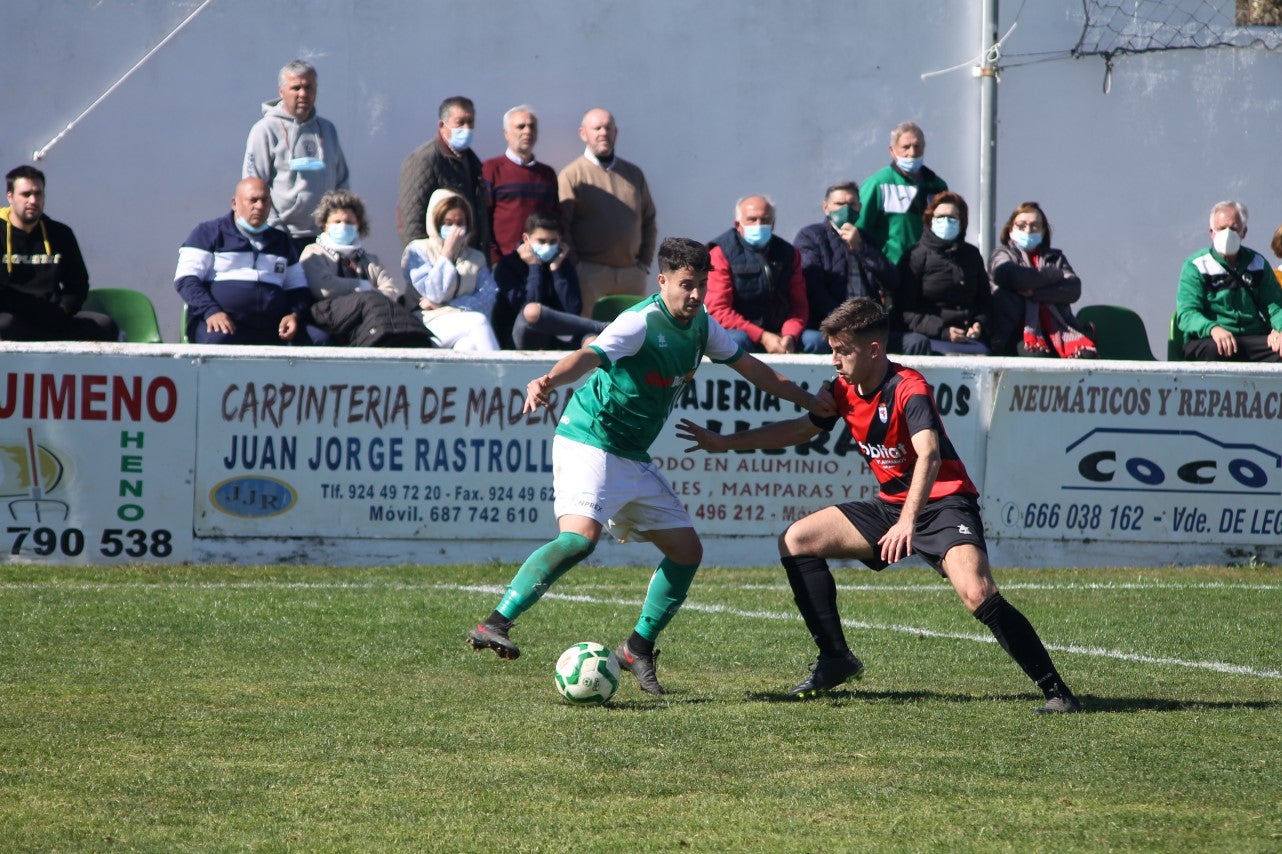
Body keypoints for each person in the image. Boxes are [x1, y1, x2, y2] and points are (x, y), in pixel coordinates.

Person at [676, 297, 1080, 714]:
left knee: (977, 591)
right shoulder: (840, 388)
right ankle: (835, 658)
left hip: (944, 505)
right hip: (892, 506)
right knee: (797, 539)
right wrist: (725, 442)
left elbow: (930, 456)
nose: (833, 359)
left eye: (842, 350)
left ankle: (1057, 691)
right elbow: (800, 429)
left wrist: (908, 521)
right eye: (831, 349)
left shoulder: (909, 388)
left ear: (873, 350)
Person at [465, 237, 833, 695]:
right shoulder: (640, 322)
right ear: (662, 282)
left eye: (702, 285)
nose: (696, 296)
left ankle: (637, 648)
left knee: (687, 552)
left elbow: (755, 370)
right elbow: (589, 356)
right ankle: (495, 622)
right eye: (686, 286)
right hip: (589, 439)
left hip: (632, 455)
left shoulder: (702, 325)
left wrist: (808, 399)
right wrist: (548, 379)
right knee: (580, 540)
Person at [174, 177, 323, 345]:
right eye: (253, 200)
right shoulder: (208, 233)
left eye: (265, 200)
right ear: (234, 203)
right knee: (217, 344)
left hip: (273, 328)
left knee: (319, 340)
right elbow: (186, 280)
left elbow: (298, 289)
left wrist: (293, 314)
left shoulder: (282, 241)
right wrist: (211, 311)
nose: (259, 206)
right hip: (224, 324)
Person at [794, 181, 930, 356]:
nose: (846, 209)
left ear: (859, 207)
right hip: (829, 327)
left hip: (868, 328)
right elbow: (813, 288)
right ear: (826, 208)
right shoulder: (810, 236)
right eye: (839, 204)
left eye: (851, 204)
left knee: (917, 342)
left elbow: (892, 281)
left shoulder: (867, 239)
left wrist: (861, 248)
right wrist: (842, 323)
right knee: (812, 341)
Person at [243, 60, 349, 255]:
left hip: (324, 238)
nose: (303, 94)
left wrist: (339, 225)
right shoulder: (265, 130)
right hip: (281, 236)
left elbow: (342, 181)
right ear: (281, 92)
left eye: (309, 87)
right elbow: (254, 185)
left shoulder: (327, 129)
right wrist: (276, 231)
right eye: (296, 88)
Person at [557, 107, 657, 317]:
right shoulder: (572, 175)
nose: (603, 132)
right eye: (597, 128)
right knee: (593, 338)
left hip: (632, 274)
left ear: (615, 132)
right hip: (590, 274)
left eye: (608, 128)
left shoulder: (633, 174)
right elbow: (563, 224)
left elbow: (648, 219)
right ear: (583, 134)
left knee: (634, 337)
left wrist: (644, 264)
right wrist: (578, 266)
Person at [1, 165, 116, 341]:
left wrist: (63, 309)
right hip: (12, 317)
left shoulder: (60, 233)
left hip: (52, 317)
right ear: (10, 197)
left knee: (103, 325)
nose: (33, 200)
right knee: (5, 325)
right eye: (25, 194)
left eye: (38, 194)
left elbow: (78, 284)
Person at [706, 194, 814, 354]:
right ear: (738, 224)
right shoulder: (720, 253)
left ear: (773, 223)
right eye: (752, 219)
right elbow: (718, 309)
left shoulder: (789, 253)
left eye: (765, 220)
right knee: (736, 341)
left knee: (816, 341)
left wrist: (790, 335)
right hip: (743, 333)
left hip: (781, 333)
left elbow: (799, 305)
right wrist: (762, 336)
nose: (759, 225)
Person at [1175, 200, 1282, 362]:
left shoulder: (1257, 263)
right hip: (1210, 341)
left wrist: (1280, 330)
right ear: (1211, 232)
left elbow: (1274, 307)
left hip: (1252, 339)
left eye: (1233, 229)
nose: (1227, 234)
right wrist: (1212, 328)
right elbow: (1187, 314)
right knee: (1212, 351)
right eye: (1221, 229)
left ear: (1244, 232)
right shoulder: (1196, 265)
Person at [988, 202, 1096, 358]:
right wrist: (1053, 275)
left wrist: (1034, 293)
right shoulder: (1001, 255)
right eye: (1021, 225)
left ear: (1044, 231)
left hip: (1060, 331)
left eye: (1035, 226)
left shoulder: (1055, 257)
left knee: (1087, 356)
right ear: (1010, 230)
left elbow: (1073, 289)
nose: (1028, 230)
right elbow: (1013, 276)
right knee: (1038, 359)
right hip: (1018, 331)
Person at [400, 189, 500, 351]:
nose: (454, 229)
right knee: (478, 322)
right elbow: (434, 293)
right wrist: (447, 254)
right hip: (427, 323)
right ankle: (503, 376)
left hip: (459, 321)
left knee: (468, 345)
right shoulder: (418, 250)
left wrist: (447, 306)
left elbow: (487, 298)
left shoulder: (476, 258)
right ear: (436, 222)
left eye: (460, 223)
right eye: (448, 223)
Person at [492, 212, 606, 350]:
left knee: (591, 340)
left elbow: (572, 310)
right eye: (541, 241)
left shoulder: (563, 264)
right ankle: (605, 327)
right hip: (520, 337)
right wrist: (534, 266)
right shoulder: (507, 265)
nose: (547, 247)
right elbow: (527, 307)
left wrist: (556, 270)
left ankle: (600, 337)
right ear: (526, 239)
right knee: (532, 311)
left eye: (553, 242)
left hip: (558, 336)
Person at [898, 191, 991, 355]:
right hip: (931, 337)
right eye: (940, 216)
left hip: (969, 337)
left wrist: (979, 323)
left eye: (953, 217)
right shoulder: (915, 256)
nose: (946, 221)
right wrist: (942, 331)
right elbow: (904, 311)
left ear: (962, 223)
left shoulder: (972, 255)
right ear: (930, 220)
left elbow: (985, 302)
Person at [397, 96, 488, 252]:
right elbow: (412, 218)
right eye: (460, 123)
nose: (466, 129)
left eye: (470, 122)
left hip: (468, 258)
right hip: (436, 258)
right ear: (442, 125)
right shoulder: (425, 160)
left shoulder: (473, 162)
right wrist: (422, 259)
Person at [856, 121, 948, 265]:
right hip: (891, 270)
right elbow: (859, 230)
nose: (912, 153)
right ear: (892, 151)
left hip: (930, 271)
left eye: (917, 146)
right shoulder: (878, 184)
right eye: (906, 147)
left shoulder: (937, 186)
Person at [482, 105, 560, 265]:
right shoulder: (491, 169)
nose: (527, 131)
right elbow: (482, 220)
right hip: (504, 264)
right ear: (506, 133)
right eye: (520, 126)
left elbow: (555, 218)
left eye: (532, 126)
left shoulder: (547, 174)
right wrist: (495, 259)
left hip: (541, 263)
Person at [300, 189, 399, 301]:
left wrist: (373, 297)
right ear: (325, 225)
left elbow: (391, 291)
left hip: (371, 313)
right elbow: (324, 287)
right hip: (329, 314)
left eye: (349, 222)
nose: (342, 226)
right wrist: (363, 286)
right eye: (337, 222)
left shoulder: (370, 261)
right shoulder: (314, 253)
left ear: (358, 226)